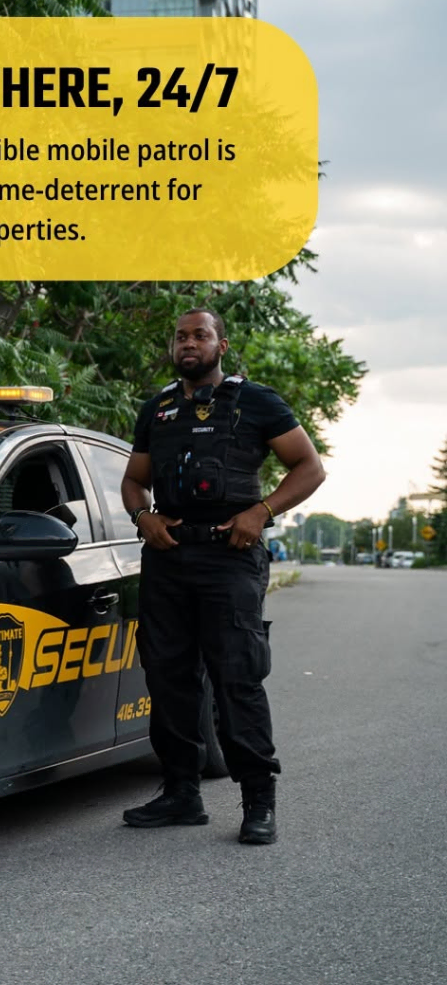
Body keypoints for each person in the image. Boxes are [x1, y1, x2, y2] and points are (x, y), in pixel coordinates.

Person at [119, 308, 326, 844]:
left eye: (200, 335)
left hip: (230, 554)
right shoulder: (157, 408)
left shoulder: (255, 401)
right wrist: (143, 518)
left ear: (221, 345)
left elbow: (309, 467)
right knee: (168, 677)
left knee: (237, 677)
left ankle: (259, 800)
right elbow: (134, 481)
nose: (189, 343)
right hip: (167, 554)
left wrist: (263, 512)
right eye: (182, 336)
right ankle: (180, 793)